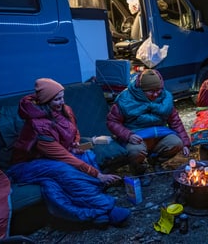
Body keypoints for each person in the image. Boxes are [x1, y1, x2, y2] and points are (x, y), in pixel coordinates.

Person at [7, 78, 130, 227]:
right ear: (46, 101)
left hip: (56, 153)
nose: (61, 102)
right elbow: (63, 157)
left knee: (87, 156)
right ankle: (104, 208)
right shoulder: (37, 126)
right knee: (64, 171)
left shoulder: (65, 110)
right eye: (56, 99)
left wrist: (75, 143)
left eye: (62, 97)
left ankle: (94, 204)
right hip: (28, 164)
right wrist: (98, 175)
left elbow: (73, 131)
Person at [107, 69, 190, 186]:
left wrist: (185, 143)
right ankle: (140, 172)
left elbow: (175, 121)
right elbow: (112, 121)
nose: (156, 94)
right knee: (135, 151)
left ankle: (155, 161)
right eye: (151, 91)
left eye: (158, 90)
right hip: (137, 136)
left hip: (160, 135)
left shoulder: (165, 97)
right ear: (141, 90)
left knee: (176, 143)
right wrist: (128, 135)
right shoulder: (125, 99)